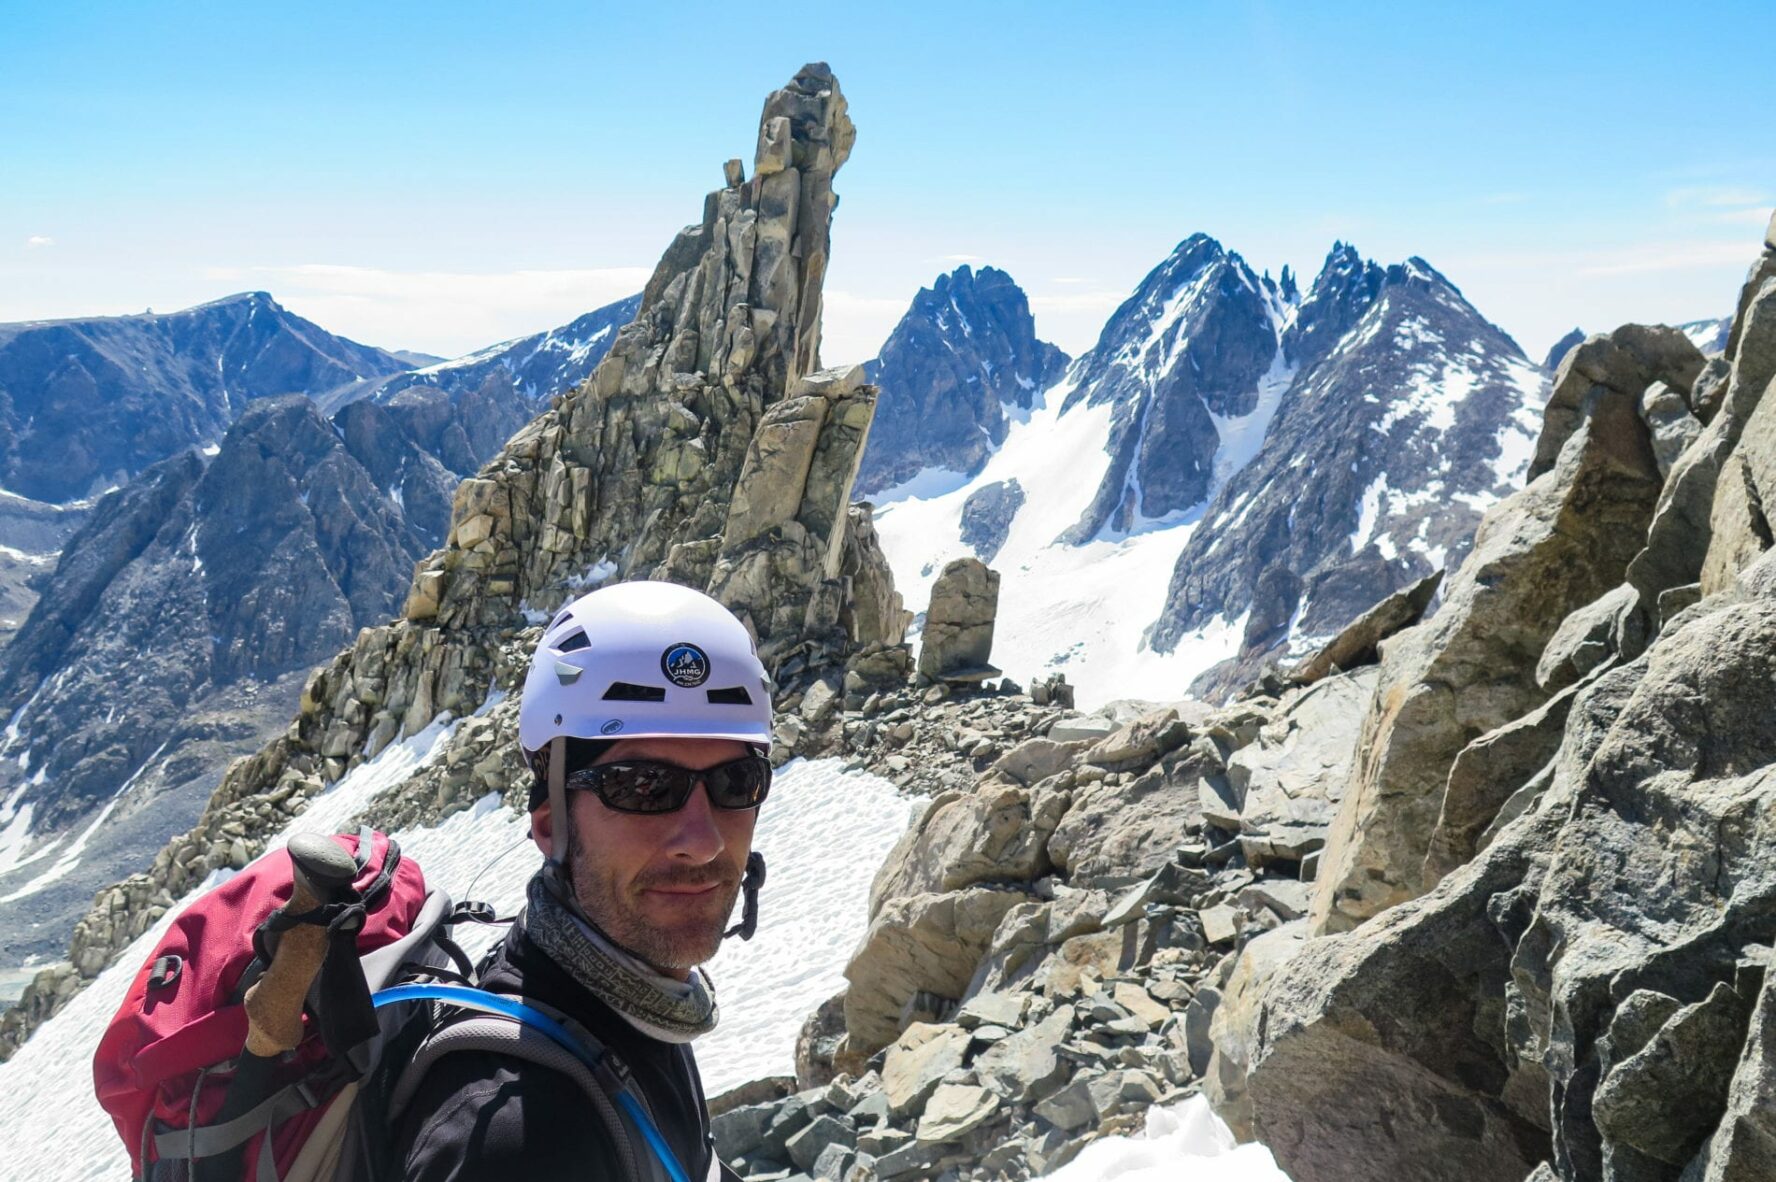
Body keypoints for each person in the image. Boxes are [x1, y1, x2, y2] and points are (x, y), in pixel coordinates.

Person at [393, 580, 774, 1181]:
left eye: (736, 783)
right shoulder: (522, 1142)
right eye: (644, 786)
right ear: (551, 825)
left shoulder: (635, 999)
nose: (704, 842)